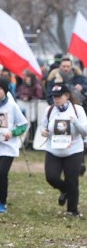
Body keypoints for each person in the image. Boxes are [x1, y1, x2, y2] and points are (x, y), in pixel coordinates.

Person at [41, 84, 87, 217]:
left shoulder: (77, 110)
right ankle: (65, 190)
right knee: (51, 177)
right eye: (54, 97)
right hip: (53, 150)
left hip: (73, 150)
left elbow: (85, 131)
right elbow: (43, 126)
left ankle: (72, 210)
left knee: (72, 180)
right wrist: (44, 132)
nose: (56, 99)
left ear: (66, 96)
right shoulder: (49, 110)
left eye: (59, 96)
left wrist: (76, 123)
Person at [0, 78, 28, 214]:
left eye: (0, 88)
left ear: (6, 90)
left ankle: (2, 202)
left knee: (2, 173)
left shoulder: (12, 106)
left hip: (8, 147)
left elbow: (23, 124)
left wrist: (13, 132)